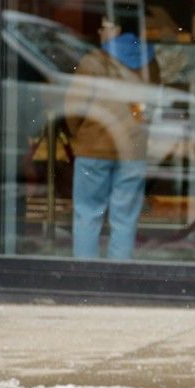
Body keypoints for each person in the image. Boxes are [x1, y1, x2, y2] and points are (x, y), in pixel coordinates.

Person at [65, 16, 160, 260]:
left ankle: (85, 276)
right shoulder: (150, 61)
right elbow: (152, 104)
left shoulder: (94, 61)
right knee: (125, 218)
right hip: (132, 149)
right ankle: (119, 275)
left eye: (104, 26)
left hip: (93, 148)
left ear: (118, 28)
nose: (99, 31)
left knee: (87, 213)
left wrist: (80, 135)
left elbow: (74, 107)